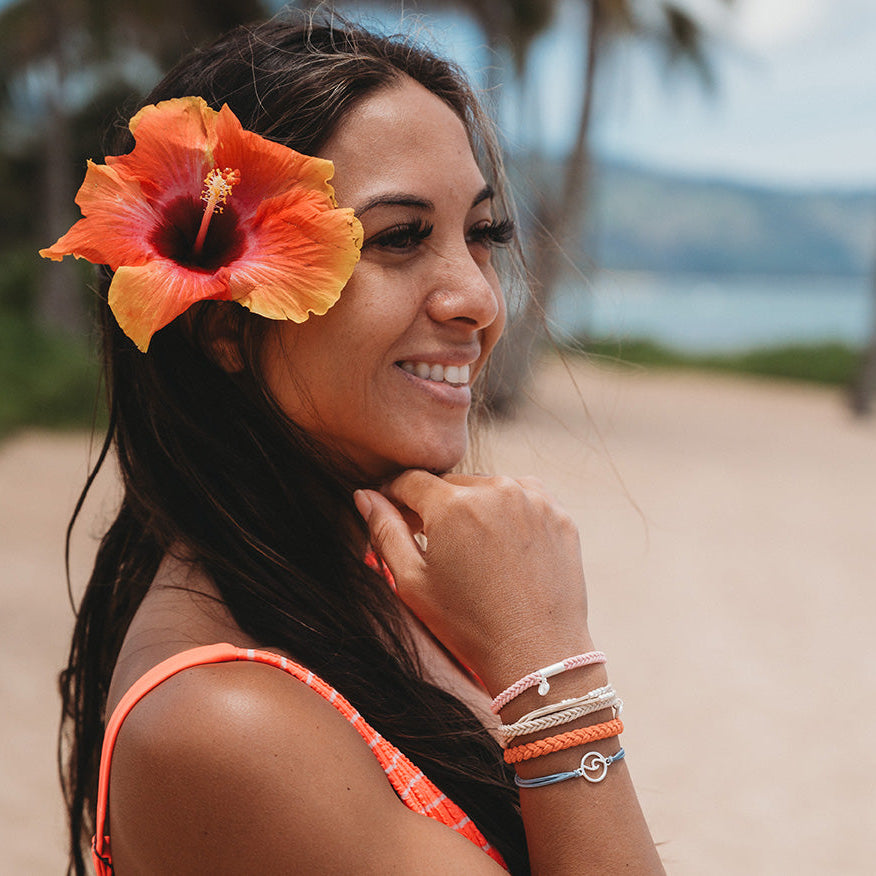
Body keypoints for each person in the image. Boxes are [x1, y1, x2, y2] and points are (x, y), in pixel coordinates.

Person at [47, 14, 665, 875]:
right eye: (400, 237)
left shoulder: (373, 580)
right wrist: (552, 666)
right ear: (222, 324)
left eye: (483, 234)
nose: (479, 300)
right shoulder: (225, 721)